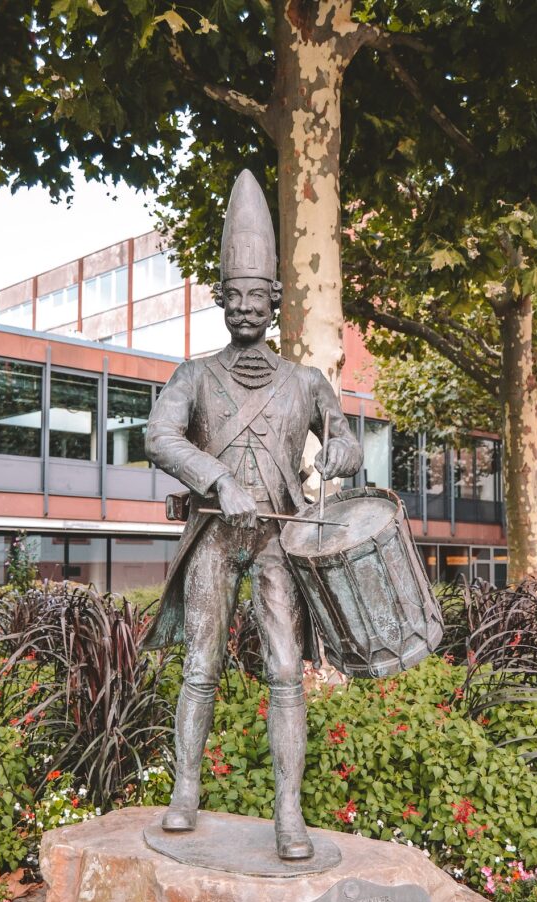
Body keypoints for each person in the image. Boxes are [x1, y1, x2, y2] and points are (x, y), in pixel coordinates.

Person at [143, 170, 362, 859]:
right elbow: (159, 437)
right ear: (220, 301)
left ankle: (288, 814)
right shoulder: (191, 377)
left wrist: (340, 456)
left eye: (256, 296)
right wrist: (213, 477)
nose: (244, 307)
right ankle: (184, 793)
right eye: (232, 296)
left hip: (277, 541)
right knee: (200, 668)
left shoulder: (306, 382)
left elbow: (347, 438)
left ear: (273, 301)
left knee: (284, 675)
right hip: (212, 537)